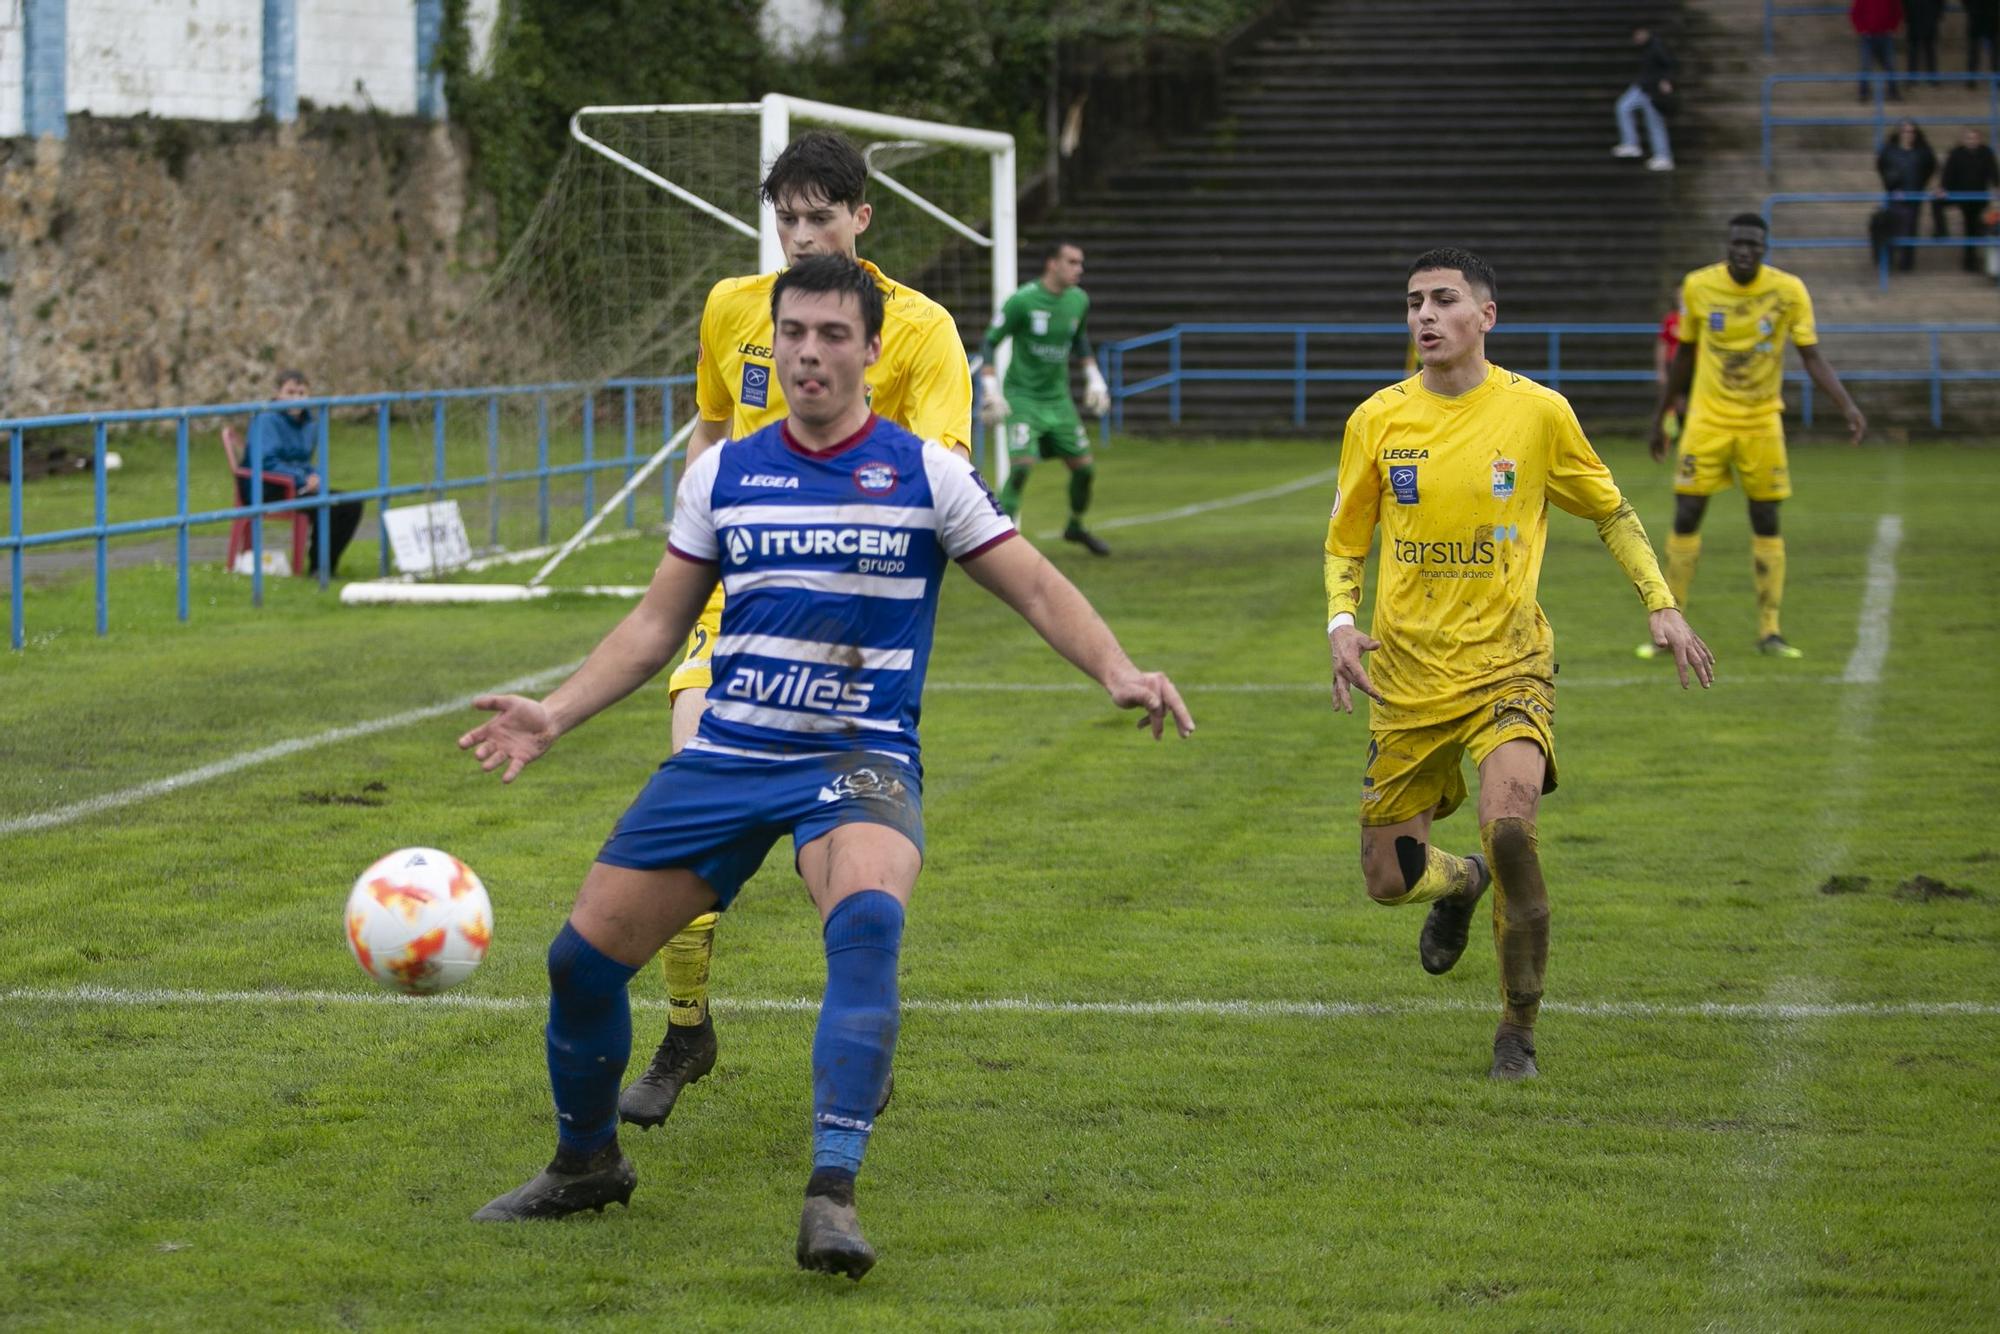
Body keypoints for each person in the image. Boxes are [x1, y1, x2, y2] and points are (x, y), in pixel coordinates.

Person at [458, 255, 1193, 1278]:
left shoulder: (925, 473)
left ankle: (830, 1194)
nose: (809, 350)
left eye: (832, 334)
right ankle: (584, 1161)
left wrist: (1116, 666)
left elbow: (1030, 581)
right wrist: (555, 712)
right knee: (579, 964)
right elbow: (654, 623)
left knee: (868, 920)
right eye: (795, 331)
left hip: (858, 755)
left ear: (870, 348)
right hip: (729, 752)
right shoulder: (721, 473)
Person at [618, 131, 975, 1132]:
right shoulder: (738, 307)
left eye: (821, 217)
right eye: (787, 219)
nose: (801, 235)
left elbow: (940, 480)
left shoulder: (921, 331)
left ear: (863, 219)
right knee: (688, 819)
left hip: (852, 637)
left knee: (844, 872)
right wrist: (696, 510)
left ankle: (858, 1031)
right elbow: (710, 419)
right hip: (734, 610)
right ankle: (687, 1029)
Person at [1324, 247, 1712, 1083]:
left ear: (1485, 318)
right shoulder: (1377, 420)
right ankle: (1458, 885)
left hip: (1509, 665)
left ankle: (1516, 1032)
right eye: (1414, 302)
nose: (1425, 316)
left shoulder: (1537, 414)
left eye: (1444, 300)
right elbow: (1346, 539)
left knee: (1511, 832)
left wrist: (1661, 599)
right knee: (1387, 882)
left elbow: (1610, 510)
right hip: (1406, 678)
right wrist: (1342, 622)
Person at [1646, 214, 1868, 660]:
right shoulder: (1699, 286)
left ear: (1764, 250)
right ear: (1727, 246)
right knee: (1687, 512)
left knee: (1766, 519)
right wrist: (1662, 415)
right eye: (1737, 243)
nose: (1744, 250)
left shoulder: (1788, 291)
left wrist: (1847, 405)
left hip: (1761, 421)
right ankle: (1672, 630)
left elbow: (1811, 355)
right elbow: (1685, 356)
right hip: (1707, 420)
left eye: (1753, 244)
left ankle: (1770, 630)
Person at [977, 240, 1114, 554]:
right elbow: (989, 342)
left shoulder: (1079, 300)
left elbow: (1079, 341)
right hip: (1023, 397)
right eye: (1072, 262)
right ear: (1053, 264)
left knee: (1084, 470)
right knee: (1022, 467)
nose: (1079, 269)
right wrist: (990, 389)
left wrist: (1095, 379)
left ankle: (1075, 526)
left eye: (1081, 263)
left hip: (1058, 400)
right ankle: (1002, 544)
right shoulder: (1022, 301)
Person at [243, 369, 363, 576]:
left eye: (301, 393)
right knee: (330, 508)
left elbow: (303, 459)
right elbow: (266, 462)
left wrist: (314, 475)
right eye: (290, 392)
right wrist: (301, 478)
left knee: (351, 504)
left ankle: (324, 564)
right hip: (268, 486)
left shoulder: (308, 423)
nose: (296, 399)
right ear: (277, 393)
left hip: (297, 485)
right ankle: (319, 567)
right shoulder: (266, 419)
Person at [1611, 26, 1677, 171]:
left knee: (1653, 121)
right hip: (1644, 87)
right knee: (1625, 108)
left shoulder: (1656, 46)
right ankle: (1634, 144)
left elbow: (1669, 63)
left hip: (1650, 89)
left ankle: (1662, 155)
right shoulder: (1647, 48)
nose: (1637, 39)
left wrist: (1666, 80)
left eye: (1638, 35)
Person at [1877, 119, 1938, 270]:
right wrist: (1891, 186)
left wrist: (1921, 185)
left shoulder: (1923, 151)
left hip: (1914, 195)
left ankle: (1907, 263)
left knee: (1911, 228)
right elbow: (1882, 167)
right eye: (1904, 131)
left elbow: (1931, 167)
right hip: (1895, 196)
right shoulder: (1890, 150)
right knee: (1891, 227)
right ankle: (1889, 261)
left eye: (1911, 131)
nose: (1907, 135)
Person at [1936, 126, 2000, 270]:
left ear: (1979, 139)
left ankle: (1971, 262)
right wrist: (1943, 187)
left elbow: (1993, 171)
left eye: (1974, 138)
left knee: (1972, 228)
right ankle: (1941, 231)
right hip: (1960, 195)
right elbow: (1948, 172)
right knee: (1936, 202)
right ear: (1963, 139)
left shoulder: (1986, 152)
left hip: (1978, 197)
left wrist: (1996, 186)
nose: (1972, 140)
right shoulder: (1956, 153)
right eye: (1969, 138)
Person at [1853, 0, 1905, 101]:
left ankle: (1893, 92)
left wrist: (1893, 28)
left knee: (1891, 65)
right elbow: (1855, 13)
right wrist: (1861, 29)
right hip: (1868, 37)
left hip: (1885, 36)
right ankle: (1863, 93)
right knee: (1865, 65)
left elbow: (1897, 12)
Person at [1907, 0, 1943, 78]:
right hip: (1923, 18)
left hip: (1918, 19)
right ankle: (1931, 78)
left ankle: (1913, 79)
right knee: (1926, 50)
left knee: (1918, 51)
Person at [1968, 0, 2000, 83]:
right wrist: (1970, 8)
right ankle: (1971, 79)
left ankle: (1996, 78)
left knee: (1994, 52)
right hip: (1977, 16)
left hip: (1991, 17)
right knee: (1974, 51)